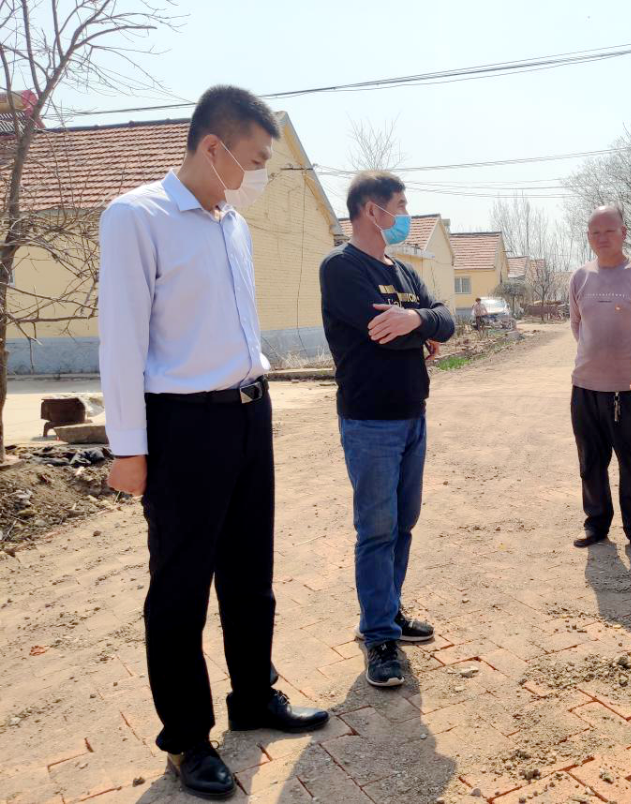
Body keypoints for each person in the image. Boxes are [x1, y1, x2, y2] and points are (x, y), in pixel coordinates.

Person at [99, 86, 329, 800]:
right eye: (255, 159)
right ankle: (187, 739)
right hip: (182, 425)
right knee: (180, 586)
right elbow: (121, 340)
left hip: (246, 413)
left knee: (249, 571)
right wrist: (126, 448)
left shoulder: (229, 222)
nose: (259, 173)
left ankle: (252, 695)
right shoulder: (137, 217)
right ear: (214, 148)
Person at [320, 170, 455, 688]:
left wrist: (417, 322)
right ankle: (377, 635)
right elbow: (379, 332)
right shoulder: (340, 267)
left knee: (403, 522)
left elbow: (446, 318)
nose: (404, 215)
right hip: (369, 419)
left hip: (412, 413)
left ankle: (390, 610)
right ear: (371, 210)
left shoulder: (401, 269)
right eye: (399, 205)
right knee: (375, 529)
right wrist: (418, 327)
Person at [569, 205, 631, 560]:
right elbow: (577, 325)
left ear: (623, 233)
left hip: (629, 388)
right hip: (585, 387)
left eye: (609, 231)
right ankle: (596, 523)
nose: (602, 238)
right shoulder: (580, 277)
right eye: (594, 232)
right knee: (590, 460)